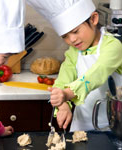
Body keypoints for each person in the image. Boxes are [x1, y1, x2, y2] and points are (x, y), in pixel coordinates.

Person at [27, 0, 122, 131]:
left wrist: (66, 94)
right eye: (65, 36)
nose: (72, 40)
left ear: (94, 19)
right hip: (81, 126)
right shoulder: (73, 53)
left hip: (112, 127)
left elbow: (96, 74)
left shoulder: (113, 46)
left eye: (76, 31)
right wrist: (63, 104)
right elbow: (62, 80)